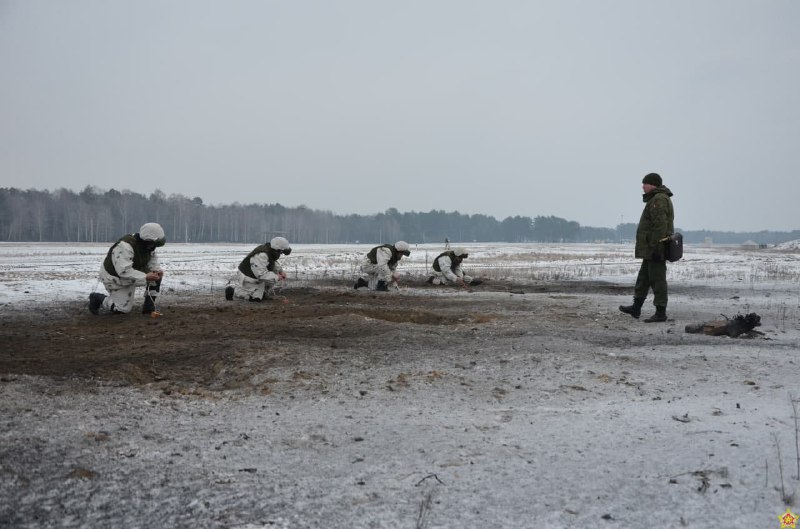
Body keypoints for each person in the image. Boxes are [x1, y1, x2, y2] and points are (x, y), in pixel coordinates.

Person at [619, 172, 675, 323]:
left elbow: (660, 226)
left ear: (653, 185)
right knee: (643, 279)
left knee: (658, 280)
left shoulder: (659, 200)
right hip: (651, 249)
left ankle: (660, 312)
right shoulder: (656, 199)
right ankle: (636, 308)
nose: (643, 186)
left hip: (656, 248)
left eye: (645, 184)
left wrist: (657, 247)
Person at [89, 223, 166, 315]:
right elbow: (123, 271)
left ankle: (149, 308)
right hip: (115, 279)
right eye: (154, 244)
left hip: (132, 276)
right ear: (148, 241)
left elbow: (152, 261)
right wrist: (146, 276)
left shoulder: (148, 247)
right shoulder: (125, 246)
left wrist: (156, 271)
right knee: (121, 310)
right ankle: (97, 298)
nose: (155, 247)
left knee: (156, 276)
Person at [226, 237, 291, 302]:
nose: (280, 254)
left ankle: (263, 292)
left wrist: (280, 271)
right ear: (277, 250)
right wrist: (276, 277)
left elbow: (272, 262)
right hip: (247, 275)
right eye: (281, 252)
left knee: (265, 288)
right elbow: (261, 274)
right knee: (255, 298)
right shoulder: (262, 255)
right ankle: (233, 291)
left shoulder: (270, 252)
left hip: (255, 274)